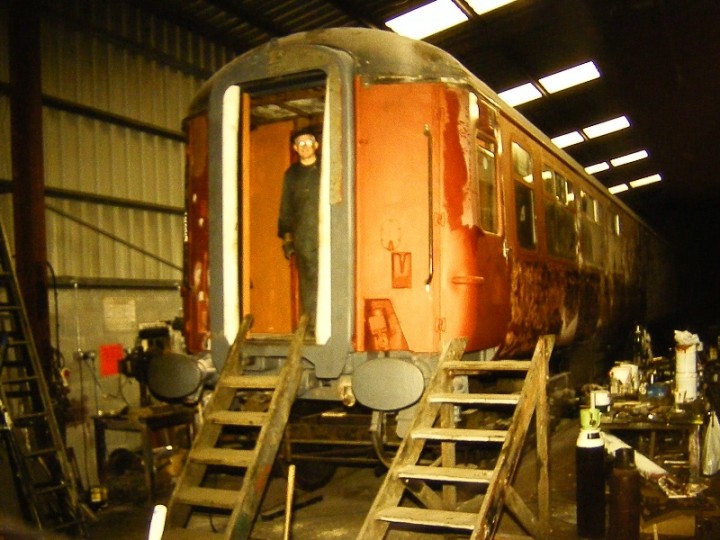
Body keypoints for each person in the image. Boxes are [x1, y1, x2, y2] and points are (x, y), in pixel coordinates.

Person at [277, 127, 321, 333]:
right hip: (305, 238)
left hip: (330, 234)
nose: (304, 147)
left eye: (308, 142)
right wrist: (288, 240)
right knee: (309, 282)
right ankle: (312, 327)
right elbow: (286, 209)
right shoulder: (291, 175)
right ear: (295, 148)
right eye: (300, 144)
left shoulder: (327, 169)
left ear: (316, 145)